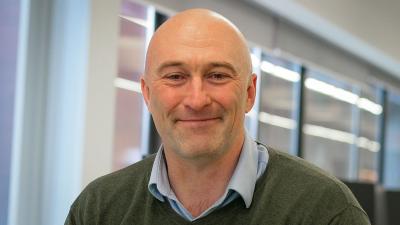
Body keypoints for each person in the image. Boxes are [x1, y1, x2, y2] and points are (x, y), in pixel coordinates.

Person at [65, 8, 371, 225]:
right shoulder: (99, 209)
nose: (197, 99)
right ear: (147, 93)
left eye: (217, 75)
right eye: (175, 76)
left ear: (249, 92)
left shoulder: (325, 210)